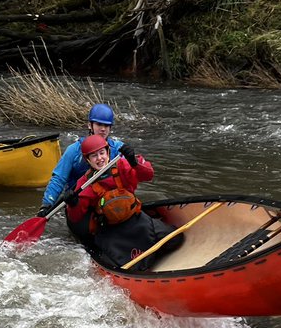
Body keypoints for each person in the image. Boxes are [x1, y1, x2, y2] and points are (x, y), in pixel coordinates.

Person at [58, 134, 181, 270]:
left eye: (102, 153)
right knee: (125, 266)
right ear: (88, 160)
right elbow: (76, 217)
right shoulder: (84, 183)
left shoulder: (122, 165)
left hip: (137, 220)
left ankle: (150, 254)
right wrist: (73, 203)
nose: (100, 158)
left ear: (108, 152)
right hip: (111, 231)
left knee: (176, 238)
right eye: (94, 156)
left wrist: (134, 162)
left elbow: (148, 175)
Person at [39, 103, 138, 212]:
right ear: (90, 125)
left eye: (107, 125)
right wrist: (47, 204)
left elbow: (132, 176)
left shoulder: (119, 148)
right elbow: (58, 179)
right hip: (78, 204)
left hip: (109, 201)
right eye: (99, 124)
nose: (103, 129)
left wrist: (133, 161)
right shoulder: (73, 150)